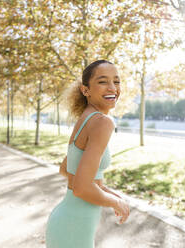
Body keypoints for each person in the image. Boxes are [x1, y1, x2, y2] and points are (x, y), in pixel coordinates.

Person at [45, 60, 130, 248]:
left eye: (116, 81)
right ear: (85, 90)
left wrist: (108, 193)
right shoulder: (102, 122)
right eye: (102, 81)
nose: (112, 88)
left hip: (69, 222)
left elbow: (66, 169)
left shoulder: (87, 117)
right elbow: (81, 188)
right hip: (74, 228)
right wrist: (115, 203)